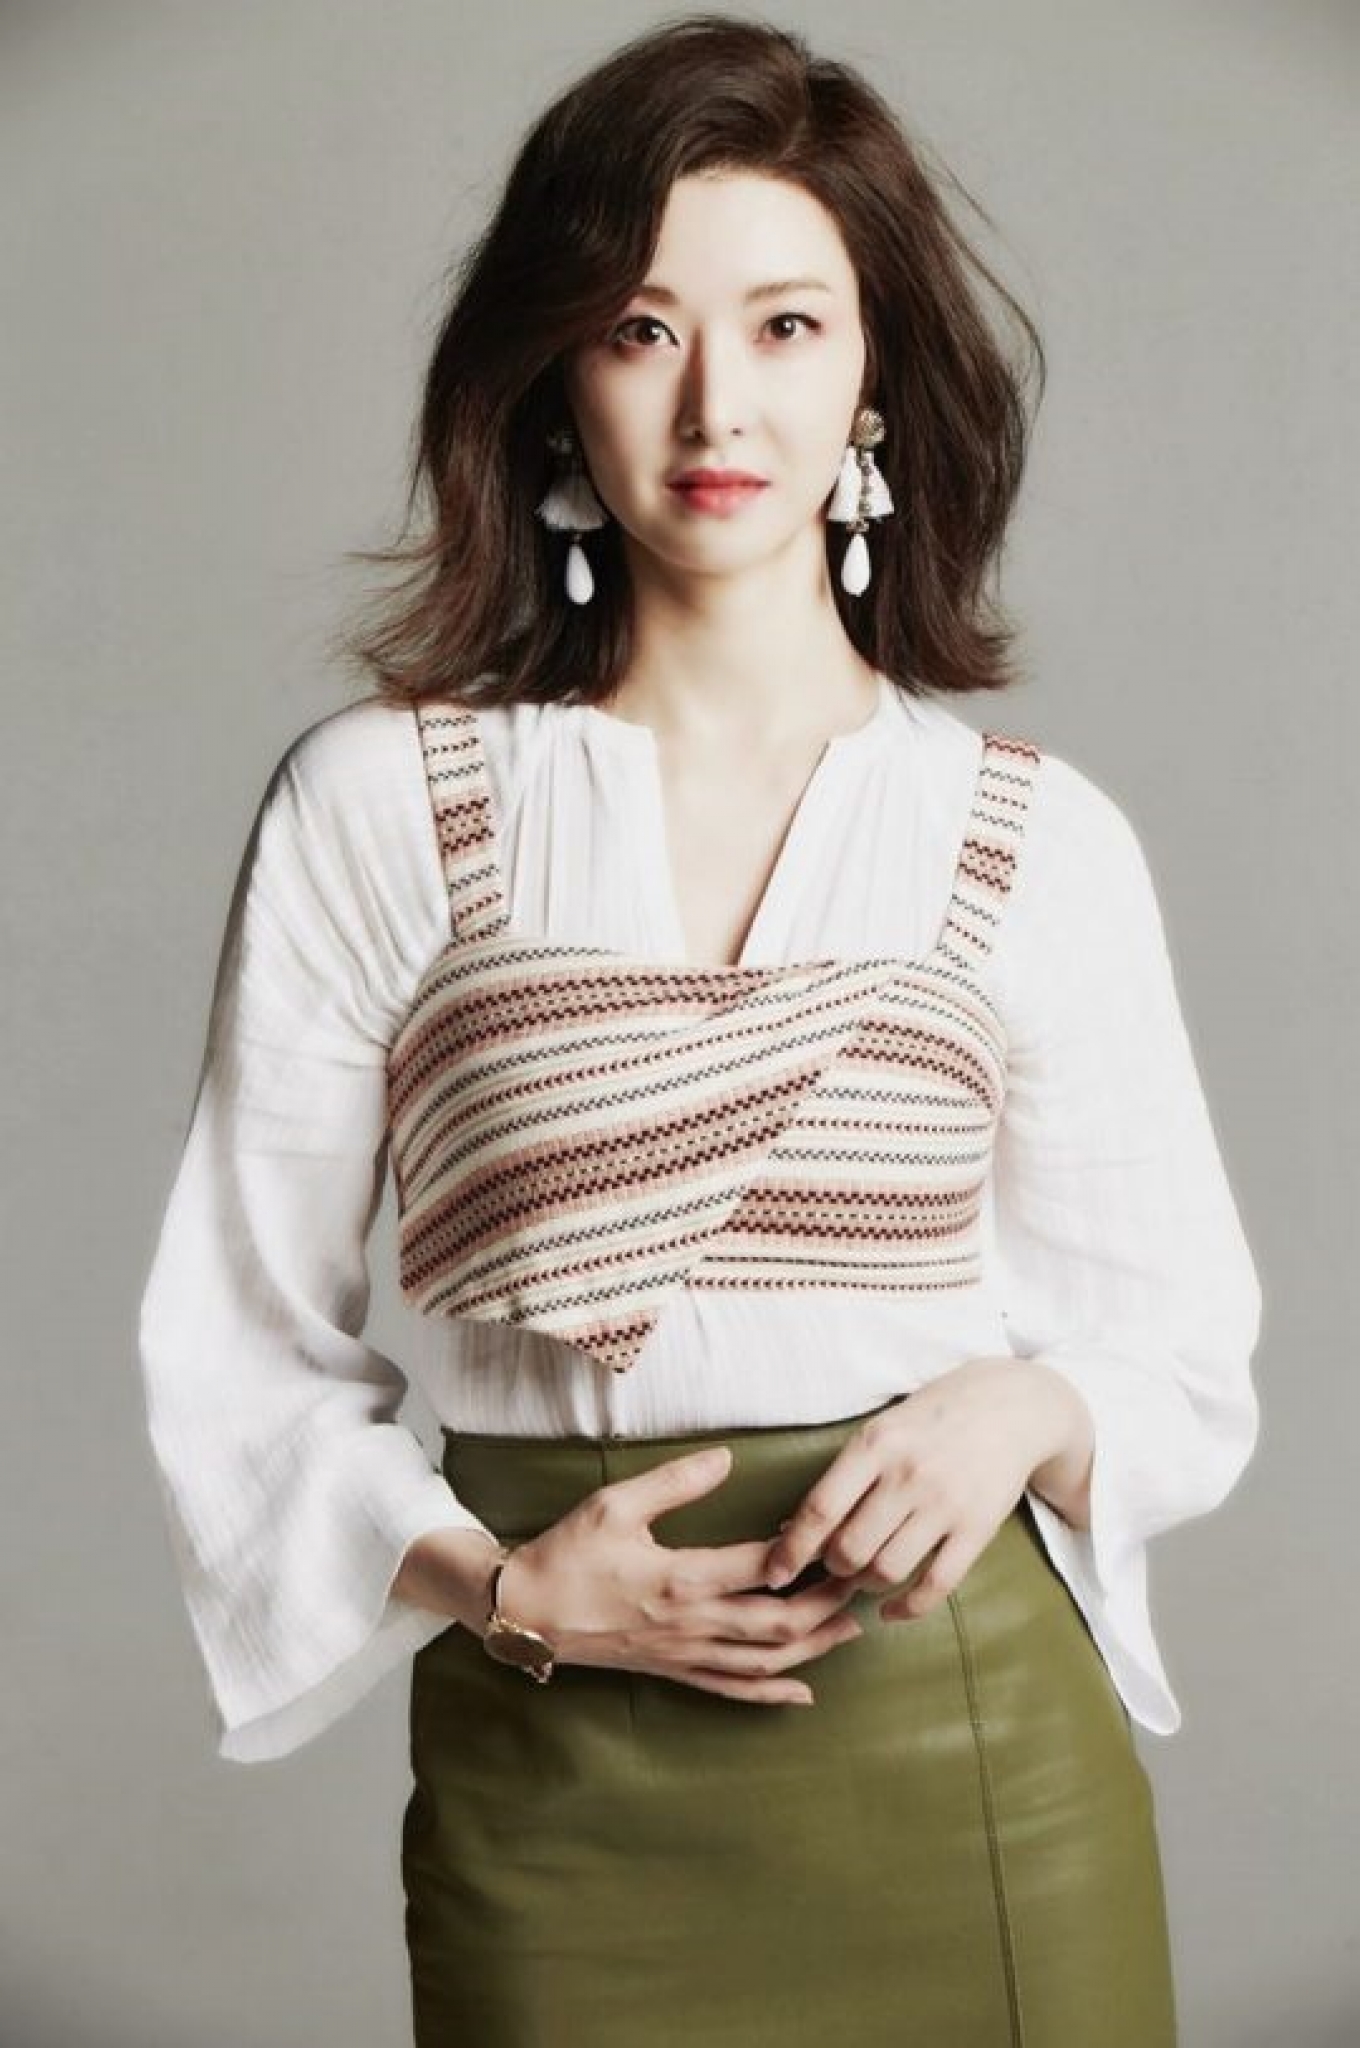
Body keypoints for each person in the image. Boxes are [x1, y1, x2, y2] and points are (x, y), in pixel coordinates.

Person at [136, 15, 1263, 2045]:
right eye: (641, 327)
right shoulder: (381, 806)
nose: (716, 402)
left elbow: (1177, 1347)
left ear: (868, 380)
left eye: (785, 325)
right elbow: (237, 1342)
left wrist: (1021, 1408)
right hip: (555, 1774)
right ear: (554, 375)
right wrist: (503, 1590)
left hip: (972, 1760)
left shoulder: (1029, 839)